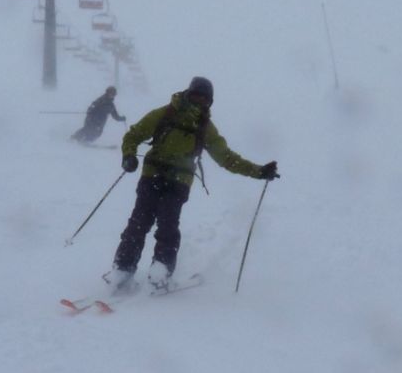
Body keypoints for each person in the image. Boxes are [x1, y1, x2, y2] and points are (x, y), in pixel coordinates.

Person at [107, 76, 278, 291]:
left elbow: (226, 158)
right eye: (196, 95)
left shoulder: (205, 127)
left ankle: (160, 271)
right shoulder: (165, 113)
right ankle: (123, 269)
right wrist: (128, 156)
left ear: (209, 102)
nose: (199, 101)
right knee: (138, 223)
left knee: (168, 225)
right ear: (188, 93)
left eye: (205, 99)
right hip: (152, 176)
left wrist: (259, 171)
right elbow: (133, 135)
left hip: (179, 182)